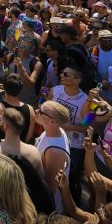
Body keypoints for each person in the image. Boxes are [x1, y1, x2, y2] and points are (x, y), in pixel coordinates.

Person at [47, 63, 89, 203]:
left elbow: (90, 127)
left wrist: (70, 127)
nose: (61, 76)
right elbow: (46, 107)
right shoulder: (55, 90)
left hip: (75, 146)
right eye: (62, 73)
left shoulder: (87, 101)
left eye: (66, 75)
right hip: (52, 138)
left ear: (77, 80)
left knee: (71, 177)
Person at [34, 100, 72, 213]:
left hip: (48, 210)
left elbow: (49, 188)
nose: (36, 110)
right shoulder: (53, 131)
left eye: (41, 111)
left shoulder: (55, 152)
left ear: (53, 121)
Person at [0, 73, 36, 144]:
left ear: (4, 87)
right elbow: (29, 136)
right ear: (21, 88)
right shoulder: (30, 109)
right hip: (19, 151)